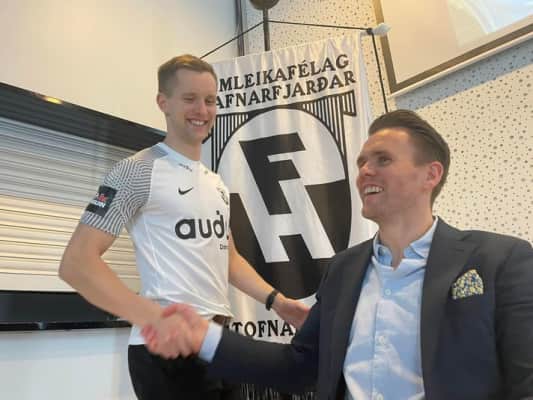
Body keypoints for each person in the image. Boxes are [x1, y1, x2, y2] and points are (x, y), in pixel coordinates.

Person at [142, 109, 533, 400]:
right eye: (362, 162)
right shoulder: (343, 270)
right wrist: (205, 337)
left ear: (431, 175)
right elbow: (299, 367)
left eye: (383, 160)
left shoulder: (500, 260)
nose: (365, 172)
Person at [59, 54, 309, 400]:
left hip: (218, 345)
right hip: (167, 352)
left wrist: (277, 302)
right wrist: (153, 318)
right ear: (163, 102)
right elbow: (77, 263)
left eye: (210, 100)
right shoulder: (136, 171)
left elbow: (229, 258)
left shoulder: (215, 183)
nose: (202, 110)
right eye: (190, 98)